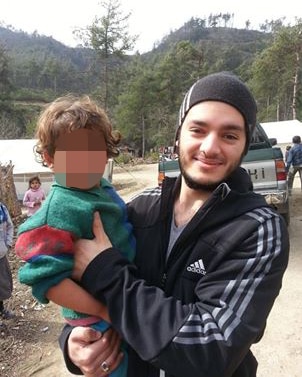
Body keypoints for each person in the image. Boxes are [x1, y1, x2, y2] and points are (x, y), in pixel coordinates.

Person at [60, 72, 289, 377]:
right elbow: (80, 292)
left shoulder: (258, 229)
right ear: (179, 135)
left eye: (230, 135)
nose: (210, 147)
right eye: (198, 129)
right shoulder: (139, 208)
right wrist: (72, 343)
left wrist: (109, 275)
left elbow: (211, 349)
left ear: (245, 145)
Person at [15, 95, 136, 377]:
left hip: (121, 302)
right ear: (49, 158)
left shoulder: (99, 188)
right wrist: (104, 311)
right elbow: (48, 280)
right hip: (98, 323)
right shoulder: (57, 210)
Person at [0, 201, 14, 319]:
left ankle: (1, 309)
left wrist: (8, 244)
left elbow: (9, 226)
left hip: (1, 254)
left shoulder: (2, 209)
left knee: (3, 283)